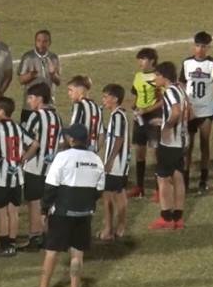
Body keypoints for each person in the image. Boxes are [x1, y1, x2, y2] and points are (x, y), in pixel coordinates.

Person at [24, 123, 105, 287]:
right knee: (77, 253)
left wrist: (44, 210)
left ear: (71, 139)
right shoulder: (96, 159)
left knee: (51, 251)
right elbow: (99, 189)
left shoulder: (62, 157)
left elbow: (50, 187)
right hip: (84, 213)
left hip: (61, 212)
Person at [0, 97, 38, 256]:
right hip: (17, 175)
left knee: (2, 212)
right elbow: (35, 144)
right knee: (13, 211)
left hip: (1, 175)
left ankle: (4, 246)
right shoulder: (18, 127)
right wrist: (24, 158)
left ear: (2, 111)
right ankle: (12, 244)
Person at [20, 83, 63, 251]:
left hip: (35, 168)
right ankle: (48, 236)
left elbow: (31, 142)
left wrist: (23, 158)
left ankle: (34, 237)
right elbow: (60, 143)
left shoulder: (35, 116)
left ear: (39, 98)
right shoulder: (56, 117)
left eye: (30, 98)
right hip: (51, 168)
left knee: (34, 203)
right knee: (48, 204)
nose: (29, 101)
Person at [181, 31, 213, 193]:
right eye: (197, 45)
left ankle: (203, 180)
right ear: (194, 45)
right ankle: (185, 181)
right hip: (190, 111)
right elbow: (182, 84)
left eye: (203, 46)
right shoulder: (186, 63)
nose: (200, 49)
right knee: (188, 146)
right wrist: (184, 104)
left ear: (208, 47)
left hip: (206, 111)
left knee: (205, 144)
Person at [148, 62, 188, 230]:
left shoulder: (170, 91)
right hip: (182, 141)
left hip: (170, 142)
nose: (154, 78)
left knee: (163, 179)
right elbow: (186, 112)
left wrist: (167, 126)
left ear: (163, 76)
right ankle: (178, 218)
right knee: (178, 177)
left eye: (156, 75)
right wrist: (163, 120)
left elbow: (176, 112)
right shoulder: (180, 89)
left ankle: (166, 217)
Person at [127, 48, 162, 200]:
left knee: (155, 153)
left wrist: (146, 110)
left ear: (152, 61)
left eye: (143, 59)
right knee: (139, 152)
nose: (140, 62)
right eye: (139, 59)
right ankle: (139, 187)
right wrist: (134, 108)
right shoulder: (138, 76)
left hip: (154, 118)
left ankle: (158, 189)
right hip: (140, 119)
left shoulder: (158, 77)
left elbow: (162, 101)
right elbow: (136, 96)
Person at [99, 84, 130, 240]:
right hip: (119, 164)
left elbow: (119, 139)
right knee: (115, 195)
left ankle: (111, 228)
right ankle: (115, 227)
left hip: (116, 164)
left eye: (106, 97)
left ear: (115, 99)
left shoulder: (117, 116)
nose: (103, 100)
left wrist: (109, 161)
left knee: (110, 196)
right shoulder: (116, 115)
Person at [18, 30, 61, 124]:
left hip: (49, 105)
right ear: (35, 41)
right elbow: (21, 80)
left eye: (45, 41)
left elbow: (58, 82)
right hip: (29, 106)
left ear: (50, 43)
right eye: (39, 41)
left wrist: (53, 74)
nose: (41, 44)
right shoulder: (28, 57)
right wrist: (31, 75)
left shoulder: (54, 58)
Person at [67, 75, 103, 152]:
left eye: (70, 90)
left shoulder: (78, 105)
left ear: (80, 90)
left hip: (79, 152)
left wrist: (71, 147)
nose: (69, 93)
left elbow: (72, 130)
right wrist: (95, 151)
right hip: (92, 154)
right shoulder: (97, 108)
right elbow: (101, 135)